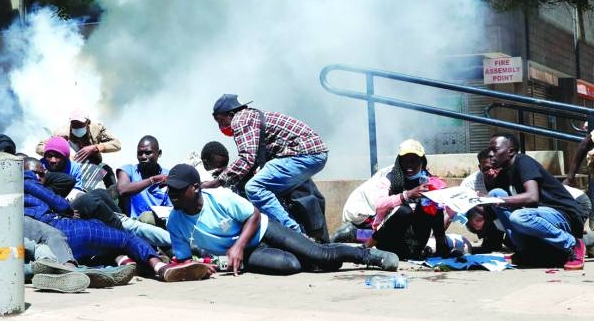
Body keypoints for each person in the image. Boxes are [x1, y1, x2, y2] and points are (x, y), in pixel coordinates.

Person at [165, 164, 398, 276]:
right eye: (170, 190)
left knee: (320, 254)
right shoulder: (175, 222)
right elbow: (184, 261)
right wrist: (198, 268)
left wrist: (237, 245)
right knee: (292, 267)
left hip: (263, 230)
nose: (172, 195)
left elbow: (253, 215)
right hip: (248, 253)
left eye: (177, 190)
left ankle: (368, 256)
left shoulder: (220, 198)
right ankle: (313, 257)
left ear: (195, 188)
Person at [22, 159, 208, 282]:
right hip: (69, 230)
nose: (41, 177)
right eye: (37, 173)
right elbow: (62, 199)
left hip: (55, 246)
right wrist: (32, 176)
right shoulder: (26, 181)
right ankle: (161, 267)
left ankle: (122, 263)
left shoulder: (2, 199)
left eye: (42, 173)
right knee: (126, 237)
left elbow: (66, 181)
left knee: (109, 242)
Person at [203, 94, 328, 234]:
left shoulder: (240, 120)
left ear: (231, 114)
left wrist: (217, 182)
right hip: (311, 153)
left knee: (254, 187)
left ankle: (294, 233)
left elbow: (246, 159)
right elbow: (255, 157)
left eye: (221, 120)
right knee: (266, 188)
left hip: (305, 154)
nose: (221, 126)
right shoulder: (251, 116)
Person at [486, 133, 586, 269]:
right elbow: (500, 201)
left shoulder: (523, 162)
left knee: (518, 216)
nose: (490, 154)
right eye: (489, 150)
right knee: (495, 193)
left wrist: (498, 200)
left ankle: (573, 244)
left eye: (495, 149)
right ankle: (524, 250)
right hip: (541, 214)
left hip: (563, 215)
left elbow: (532, 197)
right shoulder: (505, 171)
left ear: (510, 151)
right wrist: (490, 188)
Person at [366, 140, 450, 260]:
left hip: (414, 243)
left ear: (422, 162)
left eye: (414, 161)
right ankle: (365, 247)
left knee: (432, 203)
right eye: (405, 161)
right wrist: (408, 195)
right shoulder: (389, 178)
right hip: (389, 241)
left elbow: (443, 209)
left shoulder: (429, 180)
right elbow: (379, 204)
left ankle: (441, 246)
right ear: (399, 162)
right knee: (403, 211)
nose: (409, 165)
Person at [35, 108, 121, 165]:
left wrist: (95, 148)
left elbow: (116, 144)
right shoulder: (62, 132)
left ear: (88, 122)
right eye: (74, 124)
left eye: (80, 124)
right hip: (70, 164)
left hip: (94, 162)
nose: (76, 126)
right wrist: (60, 152)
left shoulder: (97, 128)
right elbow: (39, 148)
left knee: (108, 173)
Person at [116, 135, 170, 218]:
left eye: (148, 153)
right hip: (133, 224)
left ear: (159, 153)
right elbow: (122, 190)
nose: (143, 157)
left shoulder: (168, 176)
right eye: (140, 153)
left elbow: (171, 208)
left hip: (158, 225)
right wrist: (152, 180)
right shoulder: (128, 170)